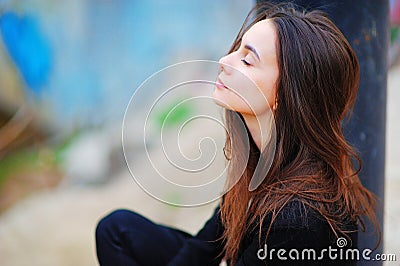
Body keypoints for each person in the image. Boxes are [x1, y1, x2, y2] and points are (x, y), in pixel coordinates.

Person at [95, 3, 380, 265]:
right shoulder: (264, 161)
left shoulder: (297, 219)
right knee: (118, 230)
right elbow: (204, 248)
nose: (223, 60)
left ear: (285, 95)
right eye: (237, 49)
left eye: (247, 60)